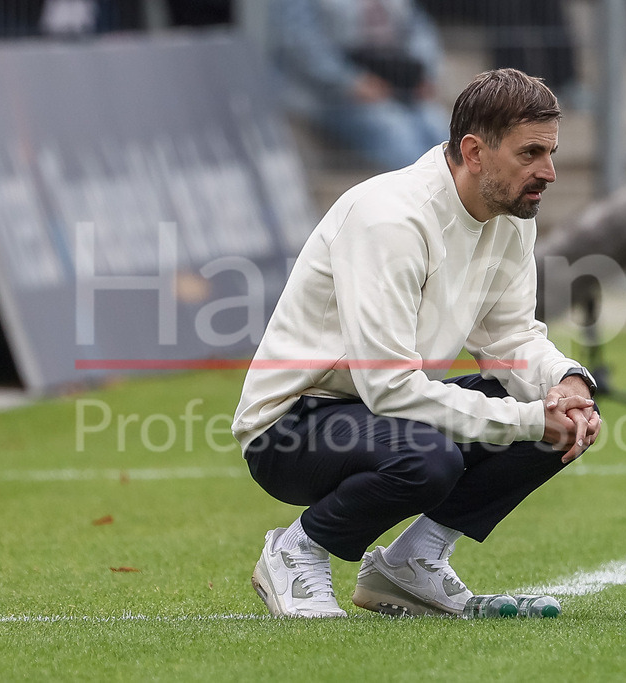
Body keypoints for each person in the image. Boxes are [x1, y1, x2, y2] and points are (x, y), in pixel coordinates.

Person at [233, 68, 602, 619]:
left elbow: (510, 337)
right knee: (430, 458)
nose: (547, 172)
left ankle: (411, 564)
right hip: (291, 425)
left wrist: (565, 384)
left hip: (382, 410)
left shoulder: (511, 215)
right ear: (474, 152)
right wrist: (529, 419)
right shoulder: (390, 218)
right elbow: (388, 387)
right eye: (530, 153)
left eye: (550, 152)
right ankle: (296, 550)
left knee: (560, 416)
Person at [267, 0, 449, 171]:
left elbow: (418, 28)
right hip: (331, 96)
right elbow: (301, 43)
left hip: (399, 87)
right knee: (394, 129)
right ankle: (419, 192)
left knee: (438, 123)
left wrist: (423, 74)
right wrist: (350, 82)